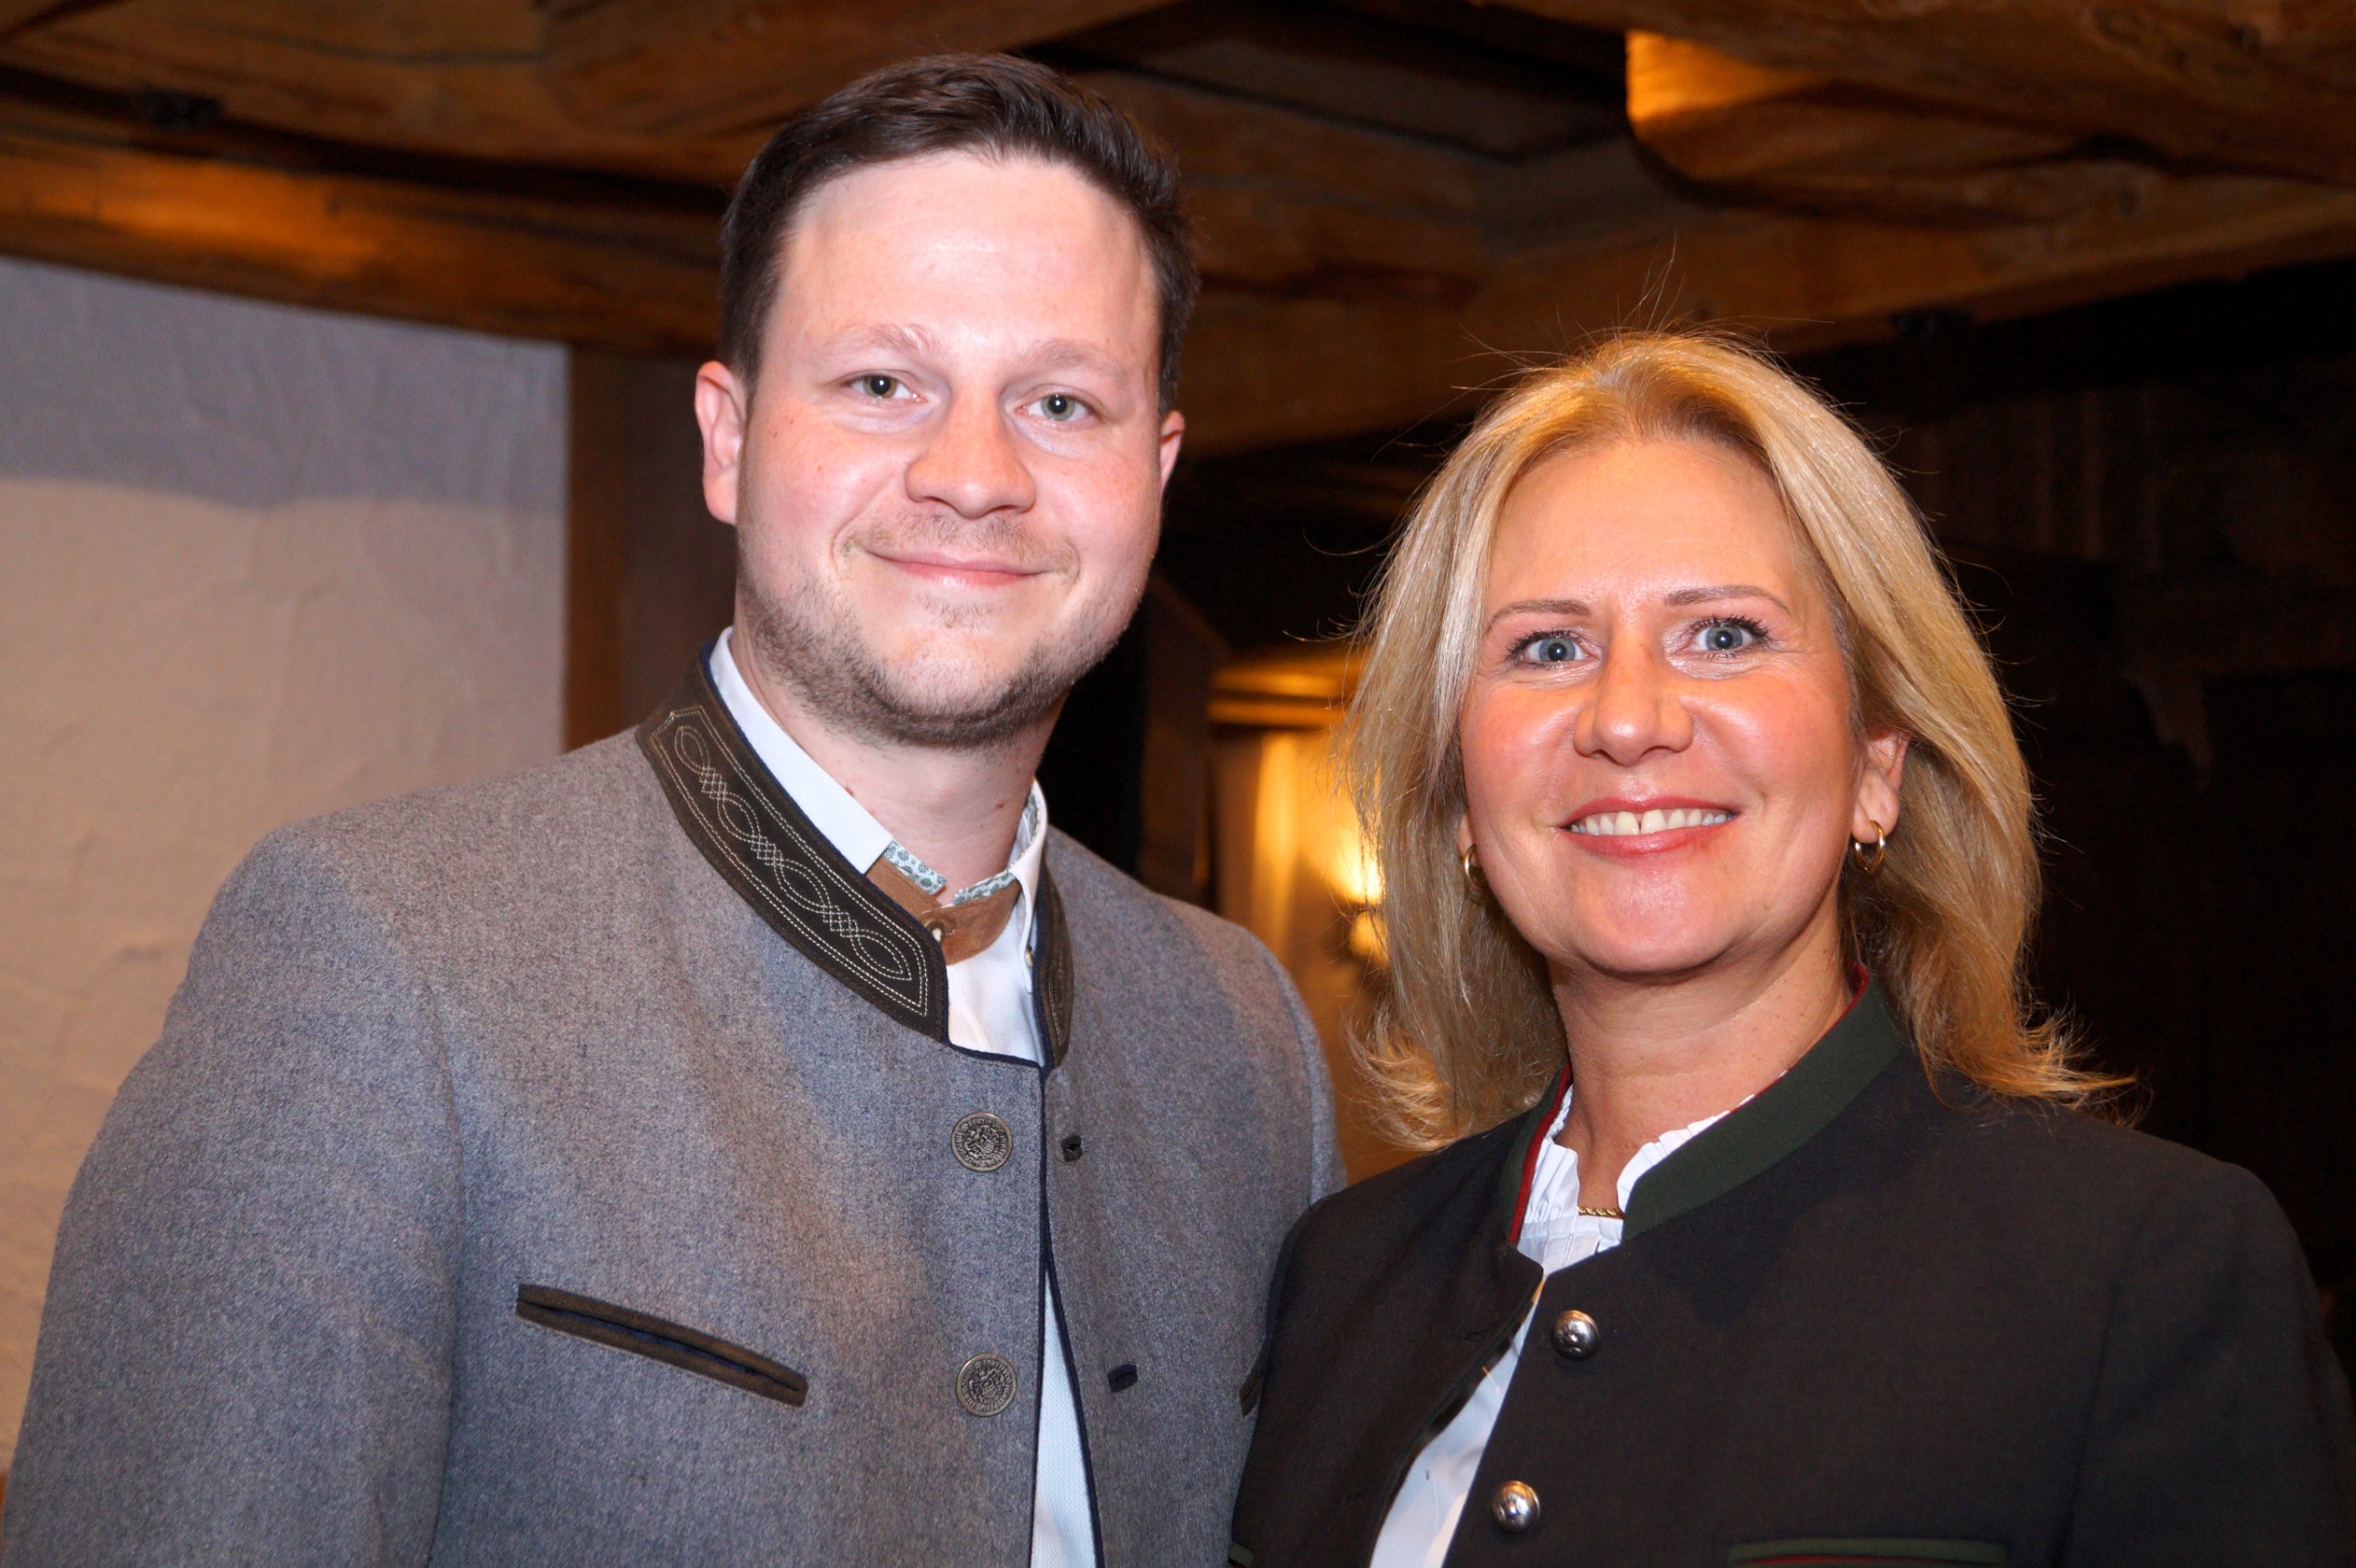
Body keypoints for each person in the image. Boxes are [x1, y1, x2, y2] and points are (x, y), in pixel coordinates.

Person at [3, 55, 1340, 1567]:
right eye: (882, 384)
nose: (975, 475)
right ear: (728, 438)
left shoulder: (1244, 1037)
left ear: (1154, 473)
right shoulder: (378, 968)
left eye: (1061, 402)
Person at [1228, 332, 2355, 1567]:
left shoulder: (2137, 1276)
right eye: (1548, 648)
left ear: (1878, 762)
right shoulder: (1342, 1279)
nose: (1627, 719)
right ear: (1457, 799)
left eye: (1723, 634)